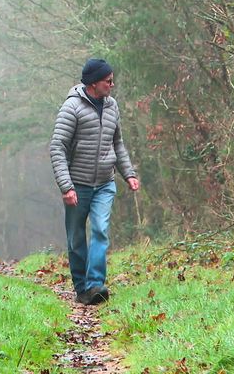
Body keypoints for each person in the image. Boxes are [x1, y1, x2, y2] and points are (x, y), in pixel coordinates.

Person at [50, 58, 140, 305]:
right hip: (77, 185)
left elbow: (117, 143)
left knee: (100, 230)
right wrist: (66, 187)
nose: (112, 85)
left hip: (104, 183)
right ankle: (82, 289)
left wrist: (128, 173)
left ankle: (95, 285)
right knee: (76, 238)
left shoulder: (112, 107)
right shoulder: (72, 108)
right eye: (108, 81)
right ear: (93, 83)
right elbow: (57, 147)